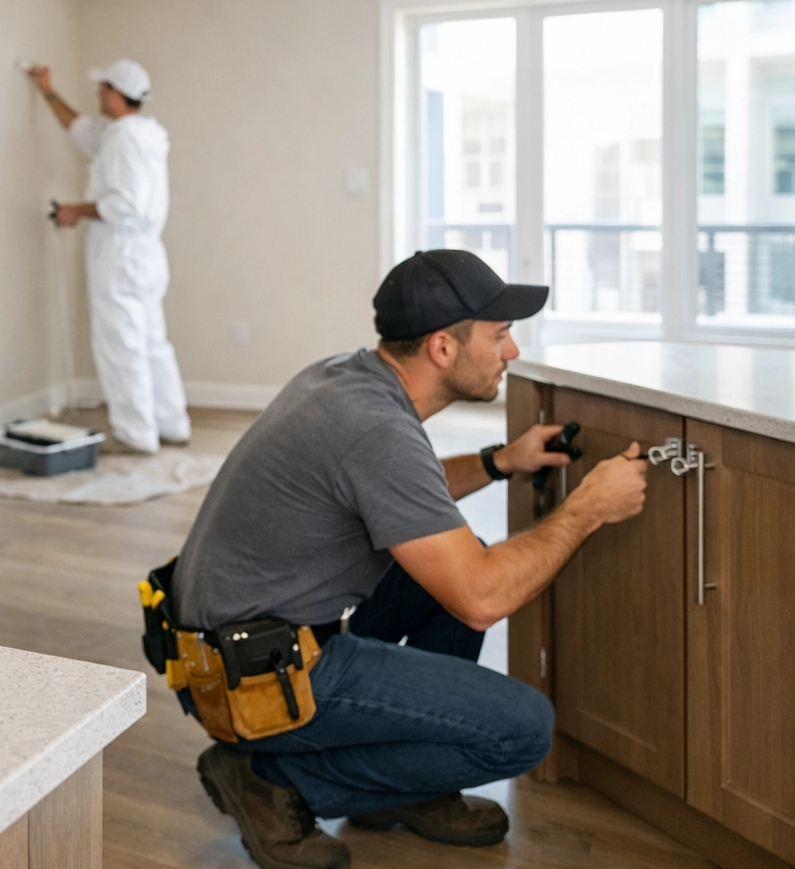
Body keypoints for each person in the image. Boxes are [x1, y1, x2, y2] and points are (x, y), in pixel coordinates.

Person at [172, 250, 650, 869]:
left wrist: (498, 462)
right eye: (500, 335)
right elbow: (482, 598)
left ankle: (394, 789)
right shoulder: (376, 429)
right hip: (260, 680)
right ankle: (275, 783)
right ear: (442, 349)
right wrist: (587, 508)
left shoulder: (346, 377)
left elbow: (399, 494)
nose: (512, 352)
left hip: (236, 644)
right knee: (523, 728)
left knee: (455, 561)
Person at [26, 58, 191, 454]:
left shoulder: (121, 140)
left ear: (117, 94)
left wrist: (74, 210)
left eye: (103, 89)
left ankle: (136, 435)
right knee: (152, 342)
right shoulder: (143, 135)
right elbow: (83, 132)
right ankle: (172, 424)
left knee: (122, 345)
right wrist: (47, 91)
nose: (98, 94)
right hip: (147, 254)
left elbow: (124, 205)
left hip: (121, 253)